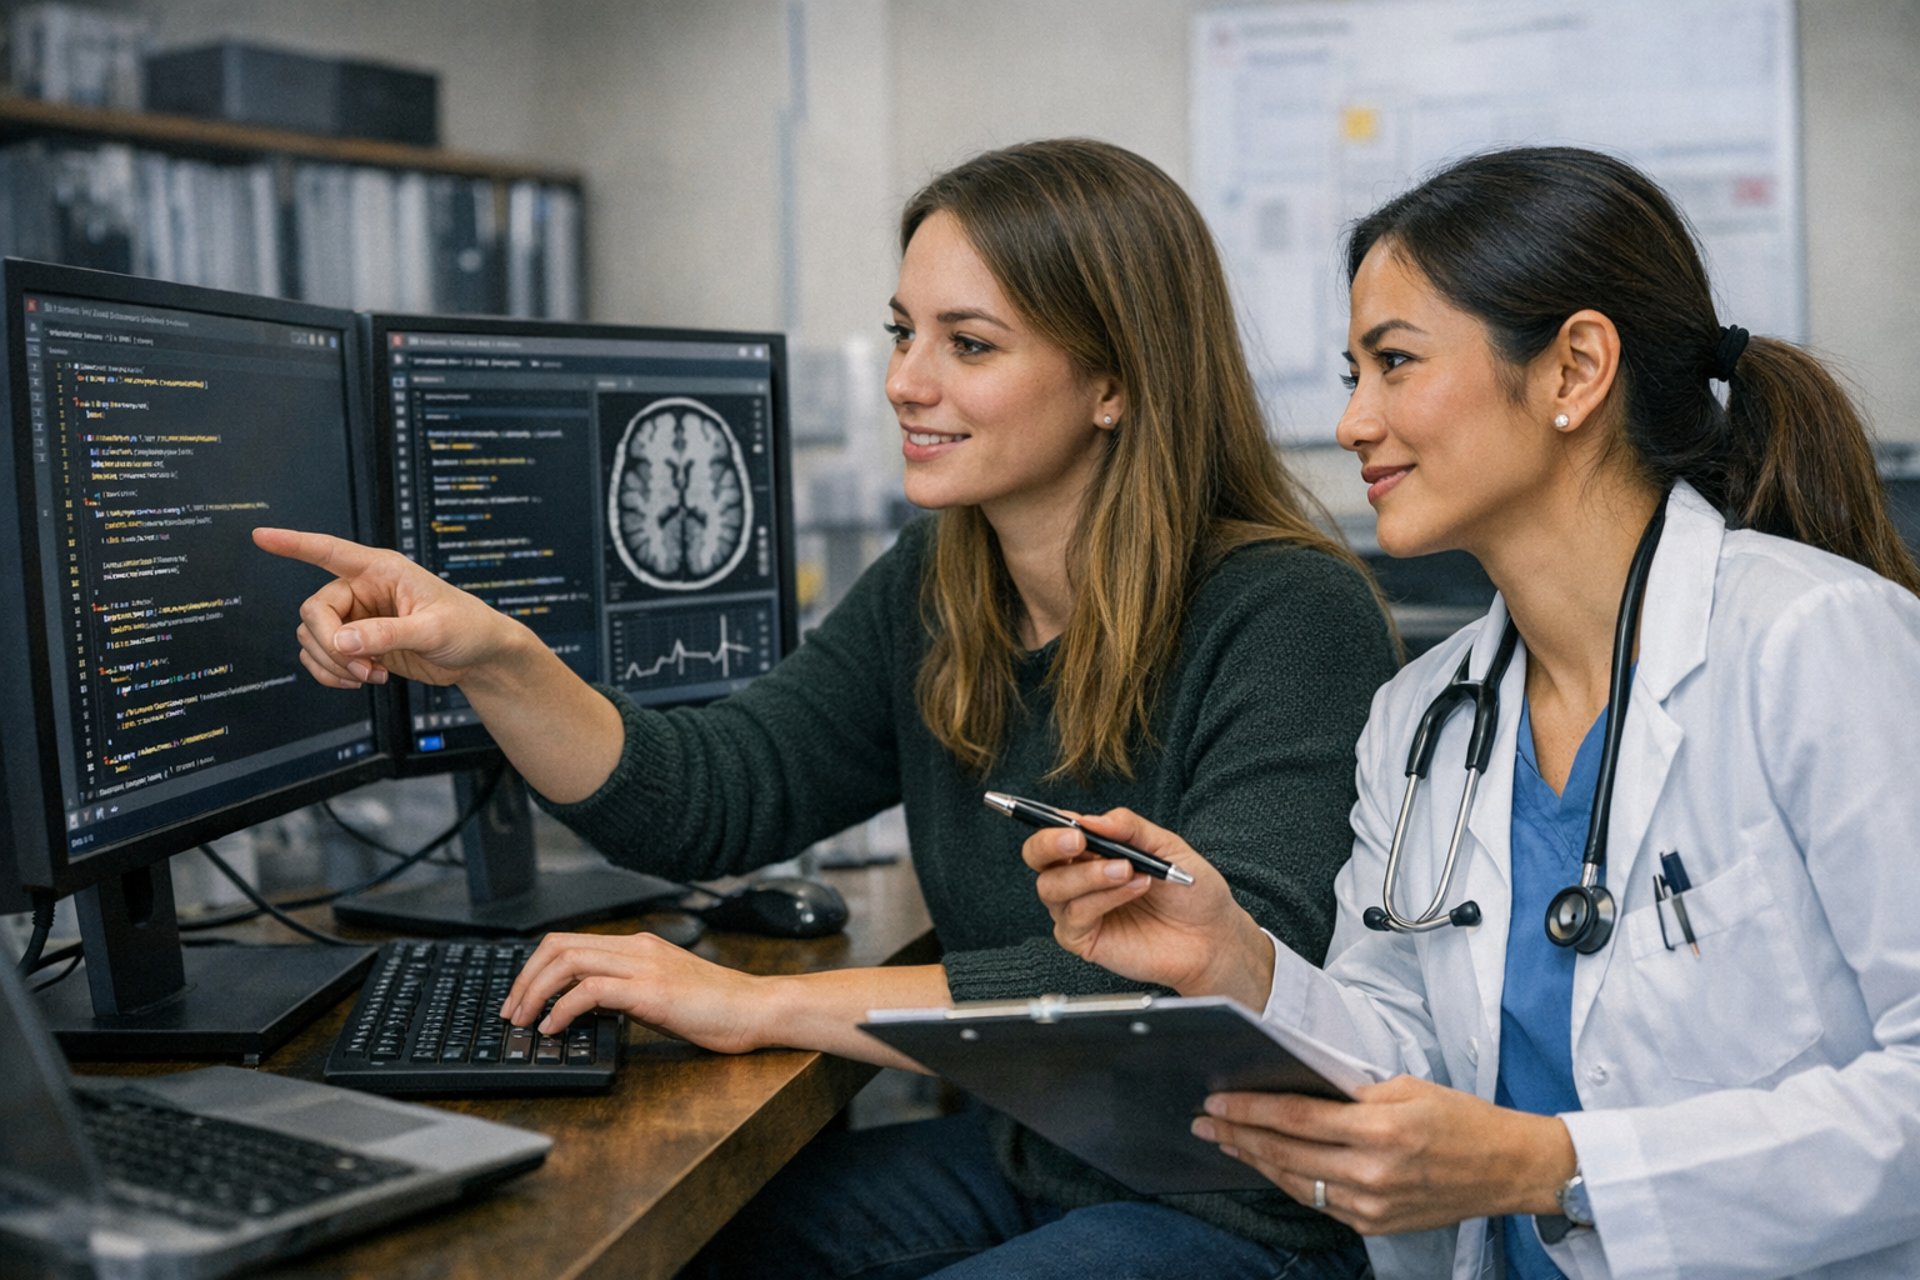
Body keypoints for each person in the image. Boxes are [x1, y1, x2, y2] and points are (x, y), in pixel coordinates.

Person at [256, 138, 1394, 1278]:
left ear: (1116, 384)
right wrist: (498, 660)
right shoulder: (940, 582)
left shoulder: (1287, 611)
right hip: (1050, 1152)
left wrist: (758, 1003)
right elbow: (714, 794)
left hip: (1249, 1205)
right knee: (691, 1256)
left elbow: (1192, 980)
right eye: (904, 333)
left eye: (969, 344)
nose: (906, 381)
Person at [1023, 145, 1920, 1280]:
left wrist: (1556, 1166)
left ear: (1574, 369)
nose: (1353, 421)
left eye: (1394, 363)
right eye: (1353, 373)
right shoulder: (1422, 717)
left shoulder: (1815, 642)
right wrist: (1237, 960)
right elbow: (1409, 1072)